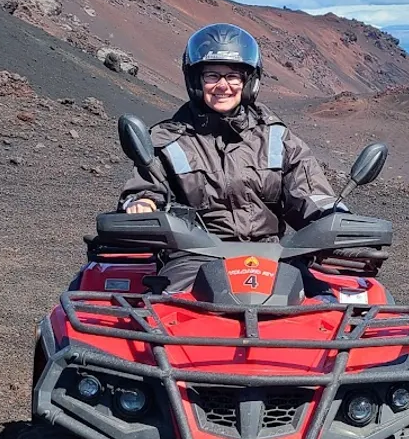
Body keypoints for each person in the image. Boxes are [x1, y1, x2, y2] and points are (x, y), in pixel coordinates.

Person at [119, 23, 339, 294]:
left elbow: (311, 195)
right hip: (194, 258)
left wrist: (334, 215)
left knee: (329, 306)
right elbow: (146, 189)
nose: (223, 86)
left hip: (272, 257)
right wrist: (141, 203)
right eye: (212, 75)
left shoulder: (276, 138)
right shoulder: (167, 140)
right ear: (196, 80)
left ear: (249, 82)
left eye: (233, 76)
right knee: (166, 315)